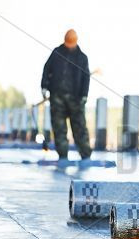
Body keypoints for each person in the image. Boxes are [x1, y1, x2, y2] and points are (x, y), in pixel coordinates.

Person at [41, 29, 92, 162]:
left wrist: (84, 96)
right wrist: (44, 86)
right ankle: (62, 155)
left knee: (80, 128)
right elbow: (47, 69)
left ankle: (86, 156)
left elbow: (86, 78)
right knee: (59, 128)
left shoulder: (82, 58)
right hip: (57, 98)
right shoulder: (57, 53)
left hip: (76, 100)